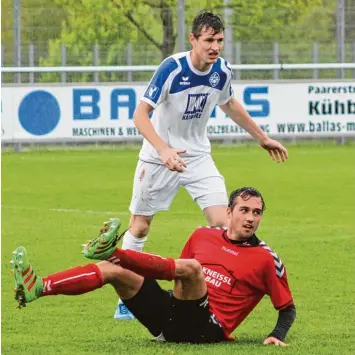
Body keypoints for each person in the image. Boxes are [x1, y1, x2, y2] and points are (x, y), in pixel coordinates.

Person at [116, 11, 289, 319]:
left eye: (220, 40)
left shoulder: (221, 71)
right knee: (140, 226)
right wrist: (164, 149)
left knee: (224, 223)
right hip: (158, 158)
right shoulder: (172, 68)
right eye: (209, 40)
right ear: (193, 40)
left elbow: (230, 104)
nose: (215, 47)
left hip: (198, 157)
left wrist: (262, 137)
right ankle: (126, 298)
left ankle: (212, 292)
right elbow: (139, 115)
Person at [11, 187, 296, 345]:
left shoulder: (265, 258)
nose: (250, 218)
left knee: (193, 269)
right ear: (229, 212)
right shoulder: (202, 234)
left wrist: (276, 335)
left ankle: (115, 252)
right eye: (244, 210)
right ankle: (39, 287)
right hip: (170, 321)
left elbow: (287, 308)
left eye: (256, 213)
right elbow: (175, 276)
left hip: (207, 330)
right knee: (115, 272)